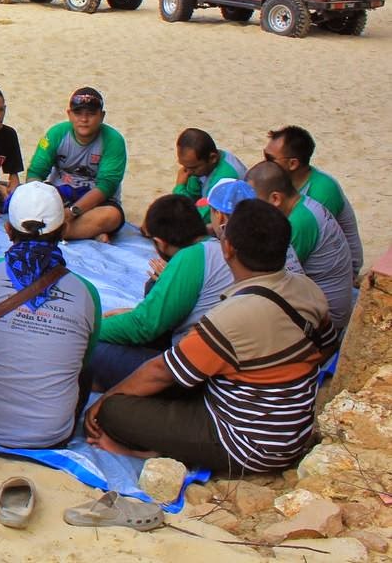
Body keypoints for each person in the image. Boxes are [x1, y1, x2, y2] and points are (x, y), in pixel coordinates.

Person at [86, 199, 335, 476]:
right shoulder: (307, 289)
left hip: (246, 444)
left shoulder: (233, 315)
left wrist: (103, 402)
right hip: (289, 433)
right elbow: (327, 346)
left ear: (228, 248)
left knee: (114, 411)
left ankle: (156, 451)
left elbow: (160, 371)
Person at [0, 181, 101, 449]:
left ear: (7, 230)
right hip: (49, 435)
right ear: (64, 229)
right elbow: (82, 364)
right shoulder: (88, 293)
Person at [90, 194, 236, 390]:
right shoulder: (213, 248)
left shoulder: (191, 257)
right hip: (210, 362)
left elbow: (142, 326)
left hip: (194, 373)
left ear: (160, 242)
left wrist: (90, 328)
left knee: (88, 348)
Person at [246, 160, 354, 336]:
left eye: (254, 202)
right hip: (331, 302)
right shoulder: (304, 205)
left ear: (275, 198)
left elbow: (276, 278)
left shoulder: (297, 224)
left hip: (328, 319)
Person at [26, 87, 127, 241]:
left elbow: (106, 186)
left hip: (96, 202)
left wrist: (72, 212)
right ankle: (84, 232)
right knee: (27, 197)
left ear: (102, 116)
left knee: (111, 216)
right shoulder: (56, 134)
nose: (84, 119)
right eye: (78, 113)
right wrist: (36, 198)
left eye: (91, 114)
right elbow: (35, 173)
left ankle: (54, 232)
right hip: (59, 194)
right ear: (69, 114)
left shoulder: (114, 140)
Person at [265, 125, 364, 276]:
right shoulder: (282, 182)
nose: (264, 164)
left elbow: (297, 248)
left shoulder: (322, 191)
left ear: (293, 164)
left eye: (270, 159)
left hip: (334, 274)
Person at [171, 128, 246, 221]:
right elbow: (193, 196)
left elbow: (195, 219)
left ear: (212, 158)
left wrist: (179, 187)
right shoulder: (202, 165)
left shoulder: (225, 179)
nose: (188, 172)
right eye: (185, 166)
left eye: (193, 168)